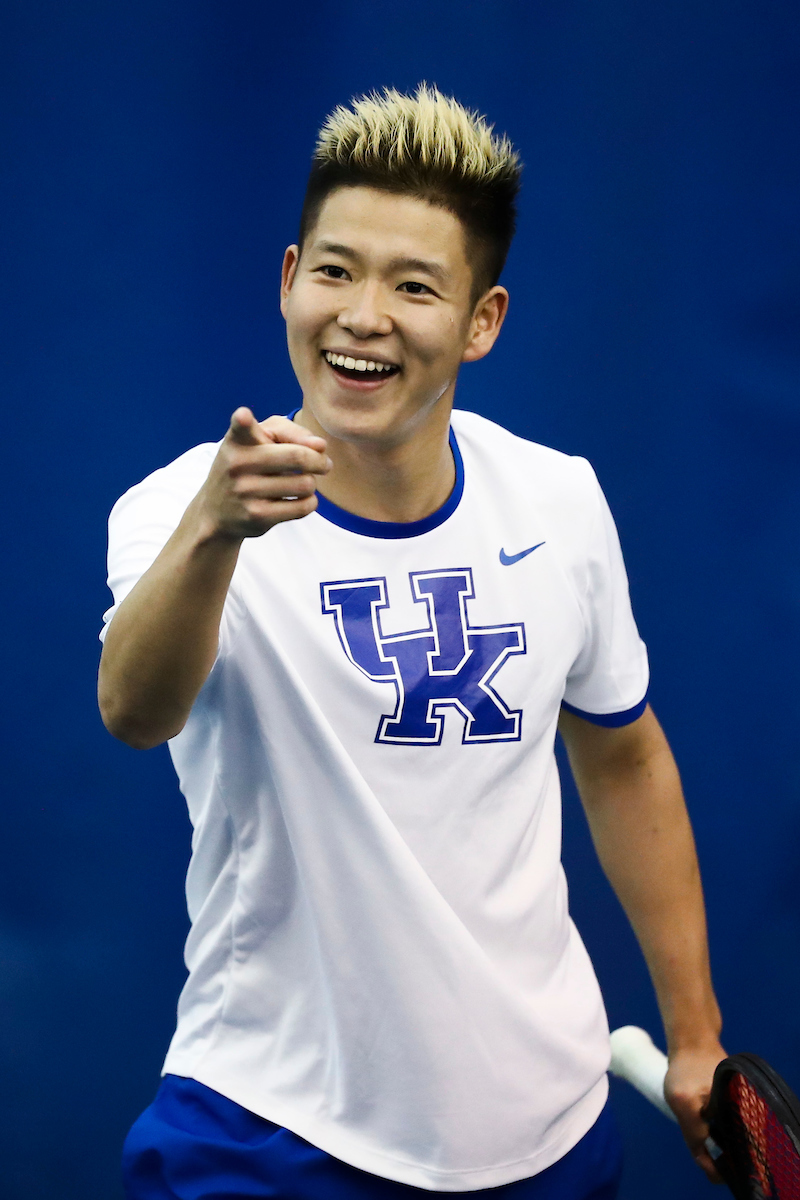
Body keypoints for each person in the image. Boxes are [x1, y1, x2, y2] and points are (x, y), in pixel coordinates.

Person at [99, 85, 724, 1200]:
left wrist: (694, 1039)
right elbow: (133, 714)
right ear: (289, 279)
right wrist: (216, 532)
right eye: (335, 272)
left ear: (480, 322)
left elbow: (623, 758)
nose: (362, 314)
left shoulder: (558, 501)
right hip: (265, 1126)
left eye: (414, 286)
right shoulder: (172, 512)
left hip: (549, 1131)